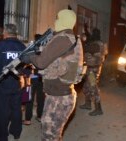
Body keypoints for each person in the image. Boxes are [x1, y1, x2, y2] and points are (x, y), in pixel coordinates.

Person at [20, 9, 84, 140]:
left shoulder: (62, 39)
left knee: (49, 136)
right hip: (62, 94)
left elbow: (42, 62)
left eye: (58, 18)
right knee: (54, 135)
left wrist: (30, 56)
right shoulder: (73, 39)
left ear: (64, 20)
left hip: (58, 99)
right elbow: (54, 60)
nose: (55, 21)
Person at [0, 24, 26, 141]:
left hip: (2, 83)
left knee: (2, 110)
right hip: (17, 82)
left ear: (5, 33)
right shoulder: (22, 46)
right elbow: (26, 66)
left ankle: (1, 136)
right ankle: (16, 132)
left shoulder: (0, 46)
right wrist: (23, 77)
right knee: (16, 108)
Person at [79, 28, 106, 116]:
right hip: (91, 68)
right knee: (86, 87)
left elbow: (87, 49)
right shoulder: (99, 43)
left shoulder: (96, 44)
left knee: (93, 88)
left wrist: (84, 41)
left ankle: (98, 109)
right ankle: (87, 104)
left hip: (93, 70)